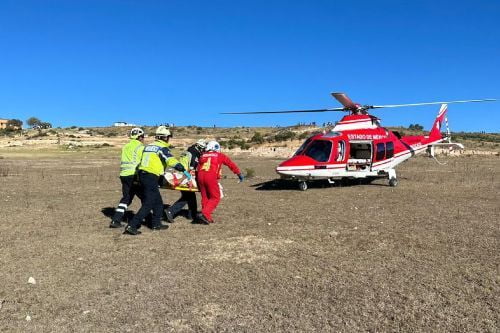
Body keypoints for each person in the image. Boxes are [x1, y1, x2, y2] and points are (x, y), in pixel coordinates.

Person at [123, 126, 190, 235]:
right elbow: (169, 160)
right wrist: (180, 167)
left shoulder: (149, 146)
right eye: (168, 137)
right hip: (150, 176)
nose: (169, 139)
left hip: (142, 174)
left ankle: (156, 224)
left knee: (158, 202)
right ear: (165, 138)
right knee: (149, 203)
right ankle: (132, 225)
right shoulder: (161, 147)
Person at [196, 140, 244, 224]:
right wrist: (238, 173)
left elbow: (198, 167)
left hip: (200, 176)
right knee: (215, 197)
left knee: (205, 197)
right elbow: (230, 164)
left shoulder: (202, 155)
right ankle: (205, 213)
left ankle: (206, 216)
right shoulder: (219, 155)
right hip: (210, 176)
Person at [109, 127, 145, 228]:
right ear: (140, 137)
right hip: (134, 175)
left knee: (126, 198)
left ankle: (116, 220)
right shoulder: (140, 147)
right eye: (143, 137)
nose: (143, 139)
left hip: (124, 175)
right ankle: (147, 218)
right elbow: (141, 162)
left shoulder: (126, 146)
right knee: (146, 198)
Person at [165, 139, 206, 223]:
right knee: (187, 197)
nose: (203, 151)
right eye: (203, 149)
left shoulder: (188, 151)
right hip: (183, 176)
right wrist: (184, 179)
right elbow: (191, 169)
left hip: (178, 174)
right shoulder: (194, 154)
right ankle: (170, 211)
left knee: (190, 197)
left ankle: (192, 215)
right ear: (199, 147)